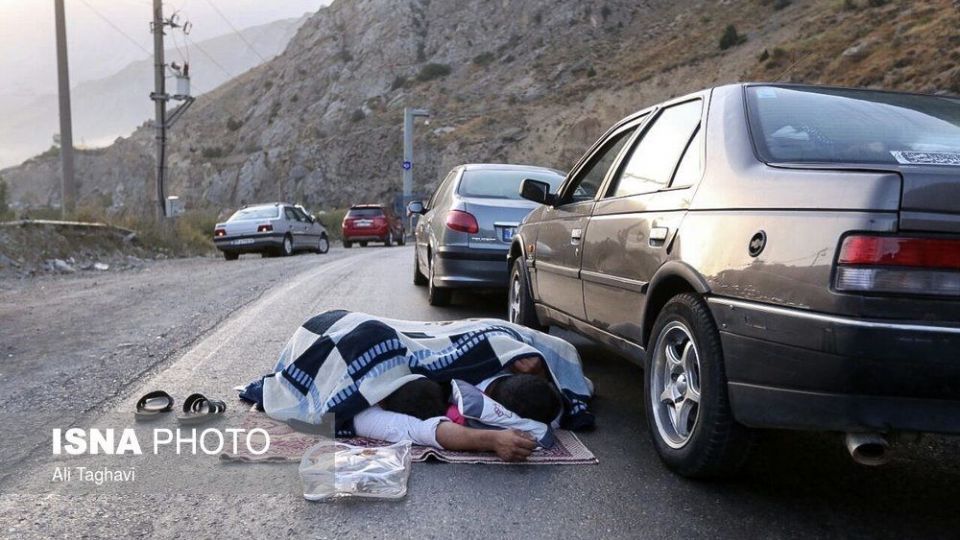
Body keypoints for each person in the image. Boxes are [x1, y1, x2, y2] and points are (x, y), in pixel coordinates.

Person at [353, 358, 564, 461]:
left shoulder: (517, 364)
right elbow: (431, 431)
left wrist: (540, 368)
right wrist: (494, 440)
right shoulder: (361, 414)